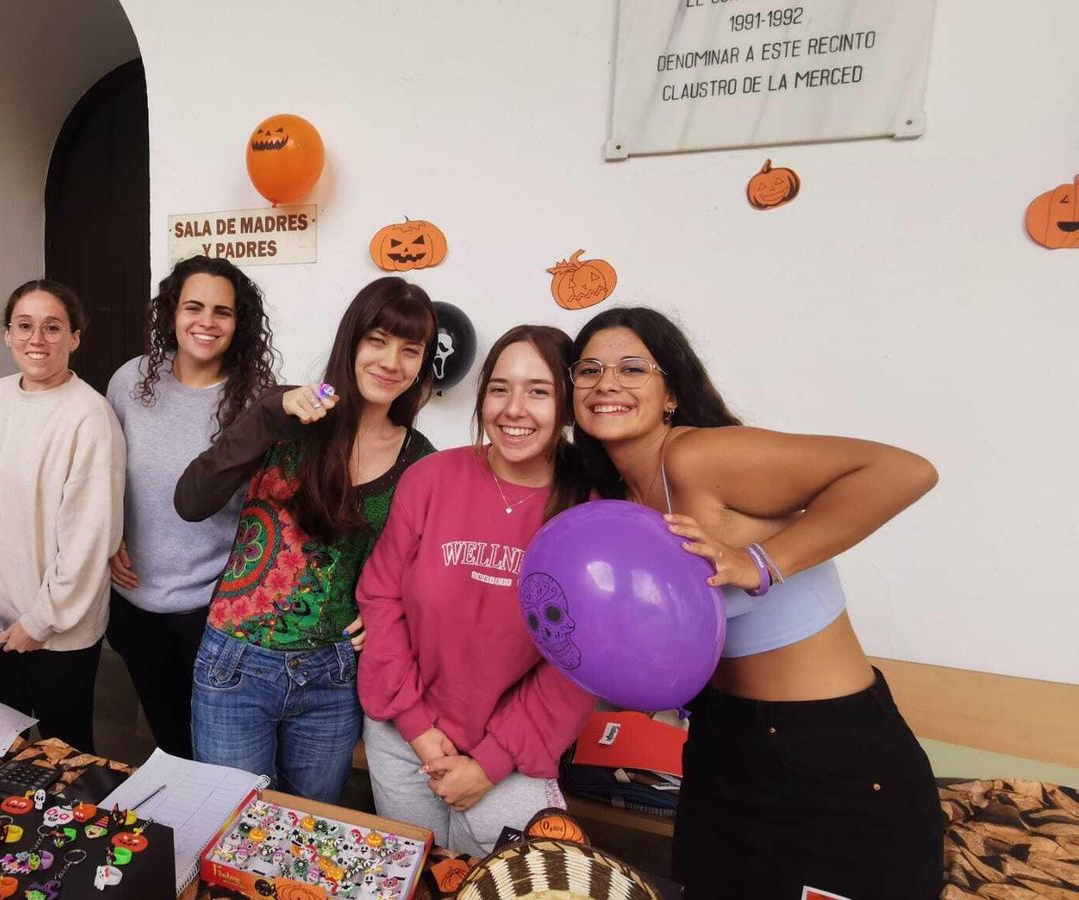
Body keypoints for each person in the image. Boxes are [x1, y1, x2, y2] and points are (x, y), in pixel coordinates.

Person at [569, 307, 942, 898]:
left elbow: (904, 471)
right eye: (588, 370)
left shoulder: (698, 456)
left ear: (670, 392)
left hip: (828, 748)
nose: (606, 383)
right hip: (723, 742)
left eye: (632, 367)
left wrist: (761, 564)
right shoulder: (618, 501)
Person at [177, 276, 438, 803]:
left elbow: (420, 563)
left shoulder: (420, 457)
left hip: (333, 674)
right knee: (230, 826)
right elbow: (192, 500)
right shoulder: (289, 413)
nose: (391, 362)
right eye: (378, 341)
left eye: (410, 350)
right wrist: (268, 415)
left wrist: (396, 612)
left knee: (310, 831)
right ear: (352, 342)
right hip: (237, 662)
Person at [356, 325, 596, 855]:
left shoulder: (590, 513)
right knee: (416, 880)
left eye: (539, 391)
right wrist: (415, 724)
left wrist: (489, 762)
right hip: (404, 740)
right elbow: (381, 597)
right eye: (499, 388)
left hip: (512, 758)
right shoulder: (430, 478)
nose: (514, 408)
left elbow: (579, 662)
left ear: (569, 404)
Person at [104, 256, 278, 757]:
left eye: (222, 311)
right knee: (171, 742)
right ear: (172, 313)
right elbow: (104, 473)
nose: (207, 321)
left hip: (215, 610)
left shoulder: (258, 399)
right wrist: (111, 535)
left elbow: (269, 508)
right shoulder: (131, 380)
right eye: (194, 307)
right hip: (135, 604)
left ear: (239, 323)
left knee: (223, 754)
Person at [0, 280, 124, 753]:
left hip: (55, 633)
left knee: (65, 761)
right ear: (7, 334)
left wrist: (38, 623)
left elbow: (90, 541)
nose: (36, 340)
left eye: (52, 328)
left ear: (75, 338)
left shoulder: (89, 416)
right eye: (24, 326)